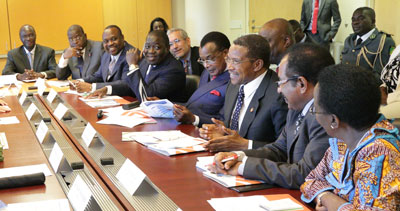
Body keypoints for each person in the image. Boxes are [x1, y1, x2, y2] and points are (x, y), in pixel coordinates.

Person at [207, 43, 333, 189]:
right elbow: (278, 149)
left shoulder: (324, 118)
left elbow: (305, 174)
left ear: (301, 84)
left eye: (281, 82)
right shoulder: (296, 107)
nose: (278, 90)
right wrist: (238, 156)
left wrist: (243, 167)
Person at [300, 64, 400, 210]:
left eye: (315, 109)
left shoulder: (380, 152)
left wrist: (336, 206)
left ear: (334, 120)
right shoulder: (342, 143)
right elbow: (310, 181)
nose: (314, 116)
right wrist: (325, 197)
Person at [200, 34, 288, 151]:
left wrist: (246, 145)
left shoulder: (279, 95)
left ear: (257, 65)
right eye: (228, 59)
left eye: (235, 61)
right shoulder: (234, 85)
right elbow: (234, 128)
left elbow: (284, 148)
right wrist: (223, 131)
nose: (229, 67)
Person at [89, 30, 186, 103]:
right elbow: (130, 85)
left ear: (167, 48)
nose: (151, 51)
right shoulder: (146, 61)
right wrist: (107, 89)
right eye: (147, 47)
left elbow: (146, 96)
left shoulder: (173, 69)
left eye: (156, 47)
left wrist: (133, 66)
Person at [173, 31, 230, 127]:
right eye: (202, 60)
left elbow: (225, 122)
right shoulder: (206, 73)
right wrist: (168, 104)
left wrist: (195, 119)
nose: (206, 65)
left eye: (210, 59)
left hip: (209, 132)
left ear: (225, 53)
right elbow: (193, 104)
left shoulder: (234, 79)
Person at [71, 25, 135, 93]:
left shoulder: (131, 55)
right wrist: (79, 82)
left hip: (128, 100)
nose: (110, 43)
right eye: (106, 41)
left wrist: (92, 87)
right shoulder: (106, 54)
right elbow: (98, 76)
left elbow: (126, 84)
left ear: (122, 37)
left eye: (114, 39)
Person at [341, 7, 395, 80]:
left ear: (373, 21)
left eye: (361, 19)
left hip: (368, 88)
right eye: (353, 20)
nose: (355, 22)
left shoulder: (384, 41)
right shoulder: (349, 40)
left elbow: (383, 75)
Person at [380, 45, 400, 118]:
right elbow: (390, 75)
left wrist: (387, 99)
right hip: (390, 100)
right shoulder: (398, 49)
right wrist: (383, 88)